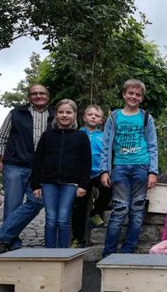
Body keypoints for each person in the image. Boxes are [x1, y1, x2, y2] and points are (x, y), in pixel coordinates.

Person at [100, 79, 158, 257]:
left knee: (137, 210)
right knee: (119, 210)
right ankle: (108, 253)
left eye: (138, 94)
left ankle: (127, 252)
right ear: (124, 94)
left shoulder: (146, 117)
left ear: (142, 98)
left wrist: (153, 171)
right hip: (120, 168)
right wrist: (104, 170)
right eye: (130, 93)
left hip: (141, 167)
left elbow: (152, 145)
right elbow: (105, 145)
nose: (134, 97)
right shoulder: (114, 117)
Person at [0, 84, 54, 253]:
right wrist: (0, 159)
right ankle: (12, 245)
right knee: (12, 206)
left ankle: (1, 236)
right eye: (34, 93)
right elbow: (2, 137)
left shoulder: (54, 115)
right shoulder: (16, 113)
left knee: (38, 201)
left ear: (47, 96)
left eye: (41, 93)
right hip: (15, 165)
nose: (38, 96)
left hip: (41, 168)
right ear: (29, 97)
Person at [31, 99, 91, 248]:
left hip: (70, 184)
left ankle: (63, 254)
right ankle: (49, 254)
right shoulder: (47, 136)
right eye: (61, 112)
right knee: (51, 218)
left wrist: (83, 184)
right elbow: (38, 160)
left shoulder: (81, 136)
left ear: (75, 115)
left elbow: (86, 162)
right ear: (56, 115)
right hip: (48, 182)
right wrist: (35, 184)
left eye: (68, 112)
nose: (65, 115)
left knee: (63, 218)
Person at [71, 105, 112, 247]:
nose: (93, 117)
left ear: (101, 120)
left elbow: (107, 155)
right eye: (90, 114)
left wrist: (105, 171)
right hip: (81, 175)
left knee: (108, 190)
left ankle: (96, 212)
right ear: (84, 117)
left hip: (98, 172)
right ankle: (77, 238)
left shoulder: (103, 136)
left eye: (97, 115)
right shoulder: (76, 134)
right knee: (79, 208)